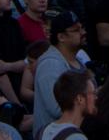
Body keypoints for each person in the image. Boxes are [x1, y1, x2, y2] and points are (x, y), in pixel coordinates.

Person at [33, 12, 88, 140]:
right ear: (61, 37)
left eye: (82, 28)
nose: (82, 32)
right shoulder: (50, 64)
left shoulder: (77, 60)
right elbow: (57, 108)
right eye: (76, 30)